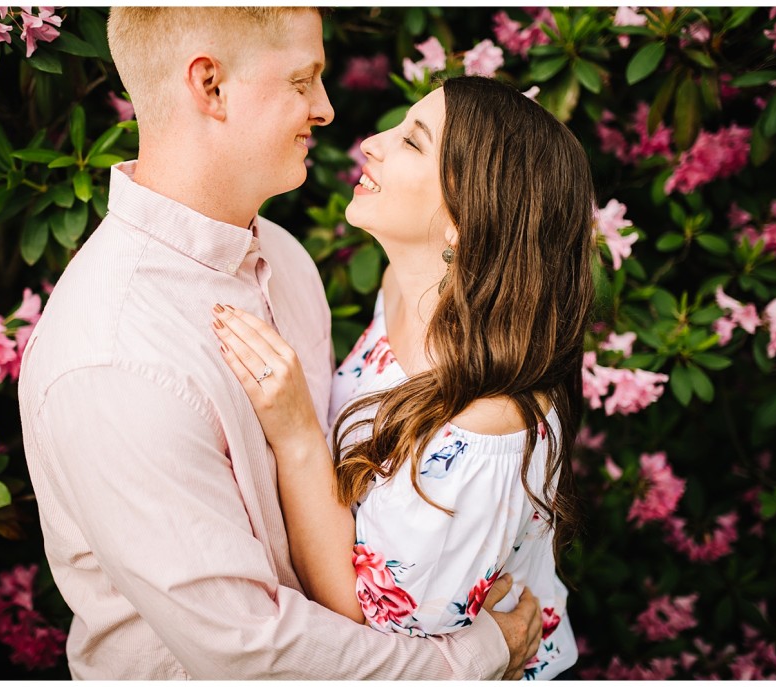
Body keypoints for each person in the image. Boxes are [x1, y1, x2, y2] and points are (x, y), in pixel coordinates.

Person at [19, 8, 542, 680]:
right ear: (211, 87)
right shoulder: (114, 359)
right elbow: (251, 651)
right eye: (303, 80)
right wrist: (477, 655)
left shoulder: (287, 261)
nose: (325, 109)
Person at [212, 76, 594, 680]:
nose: (370, 142)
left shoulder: (482, 427)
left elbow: (369, 631)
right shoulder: (406, 290)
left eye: (413, 142)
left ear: (466, 220)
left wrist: (296, 435)